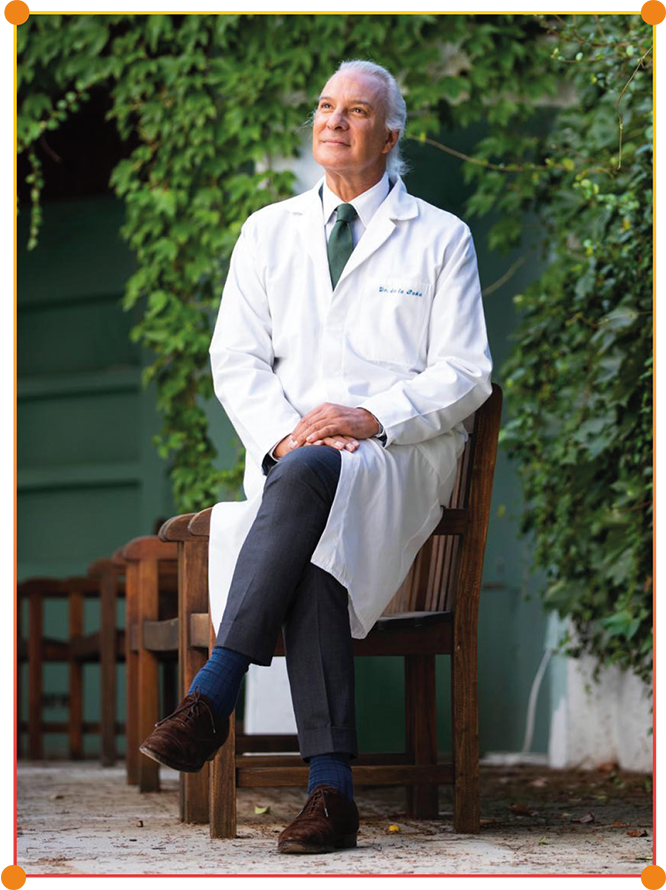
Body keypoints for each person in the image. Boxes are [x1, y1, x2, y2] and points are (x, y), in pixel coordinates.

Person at [140, 58, 493, 854]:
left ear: (390, 136)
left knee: (314, 492)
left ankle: (213, 690)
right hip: (291, 461)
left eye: (357, 111)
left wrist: (372, 416)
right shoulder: (267, 231)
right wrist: (287, 434)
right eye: (327, 107)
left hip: (398, 459)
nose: (334, 120)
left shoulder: (440, 237)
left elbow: (467, 371)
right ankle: (331, 795)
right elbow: (236, 359)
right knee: (311, 510)